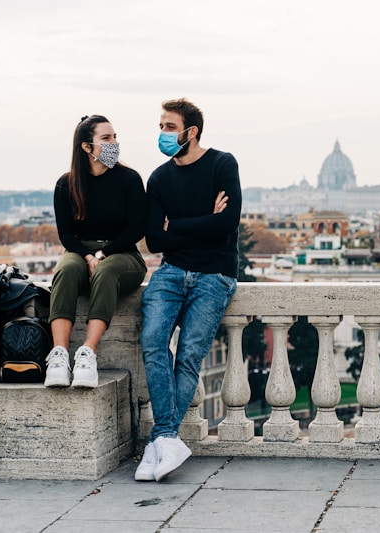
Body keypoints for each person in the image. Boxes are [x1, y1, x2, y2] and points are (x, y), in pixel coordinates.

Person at [136, 98, 241, 481]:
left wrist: (176, 226)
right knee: (152, 340)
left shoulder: (222, 164)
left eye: (168, 126)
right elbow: (153, 240)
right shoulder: (159, 178)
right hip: (172, 271)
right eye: (161, 126)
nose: (162, 133)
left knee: (190, 356)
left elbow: (227, 223)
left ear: (190, 131)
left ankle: (160, 439)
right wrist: (202, 222)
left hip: (215, 275)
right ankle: (166, 439)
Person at [46, 115, 147, 388]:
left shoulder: (129, 179)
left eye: (115, 137)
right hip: (80, 251)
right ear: (86, 147)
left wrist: (104, 254)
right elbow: (66, 234)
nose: (114, 143)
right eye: (106, 138)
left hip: (123, 253)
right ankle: (58, 356)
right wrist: (88, 255)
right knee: (65, 270)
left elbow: (137, 228)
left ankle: (88, 353)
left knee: (108, 270)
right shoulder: (66, 184)